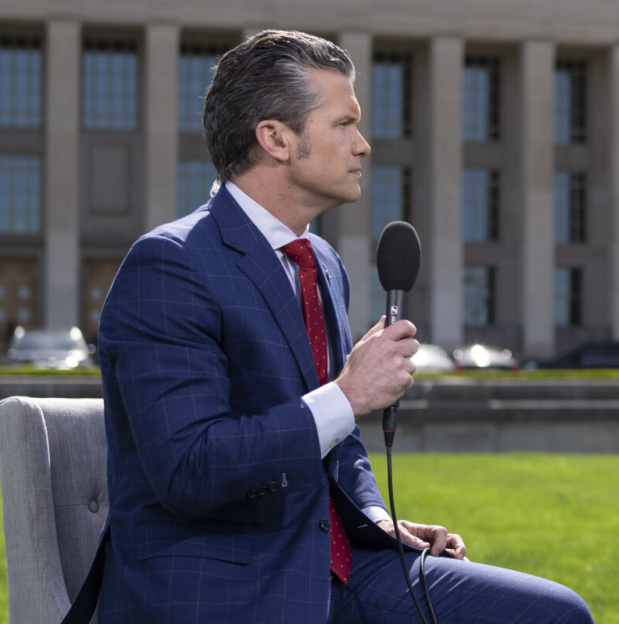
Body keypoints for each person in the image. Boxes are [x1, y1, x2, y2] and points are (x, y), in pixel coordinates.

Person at [86, 29, 593, 624]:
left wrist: (376, 521)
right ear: (275, 138)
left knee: (555, 613)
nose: (364, 145)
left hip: (340, 565)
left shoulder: (320, 261)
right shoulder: (170, 265)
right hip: (226, 586)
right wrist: (348, 394)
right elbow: (191, 470)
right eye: (343, 124)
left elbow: (338, 438)